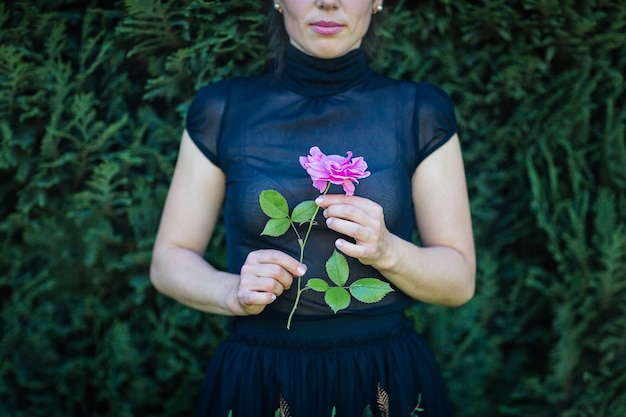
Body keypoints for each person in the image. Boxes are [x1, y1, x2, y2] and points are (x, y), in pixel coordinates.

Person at [150, 1, 476, 416]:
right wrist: (231, 292)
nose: (328, 2)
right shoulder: (223, 109)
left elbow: (459, 281)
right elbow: (168, 260)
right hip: (261, 377)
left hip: (381, 377)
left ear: (377, 1)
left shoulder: (419, 112)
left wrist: (388, 251)